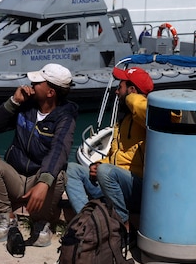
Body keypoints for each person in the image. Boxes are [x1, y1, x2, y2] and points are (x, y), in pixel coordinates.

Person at [0, 63, 78, 248]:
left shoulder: (65, 117)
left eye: (38, 82)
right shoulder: (26, 106)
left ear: (50, 92)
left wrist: (43, 182)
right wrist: (14, 102)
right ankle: (6, 217)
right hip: (15, 175)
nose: (31, 84)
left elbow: (59, 150)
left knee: (58, 174)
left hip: (36, 179)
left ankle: (41, 223)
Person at [65, 66, 153, 228]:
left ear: (132, 91)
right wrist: (99, 164)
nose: (117, 92)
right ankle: (87, 223)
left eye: (120, 87)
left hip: (136, 188)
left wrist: (132, 97)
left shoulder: (145, 118)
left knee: (106, 171)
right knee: (72, 169)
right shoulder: (124, 121)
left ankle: (121, 225)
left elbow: (149, 112)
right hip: (113, 185)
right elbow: (116, 156)